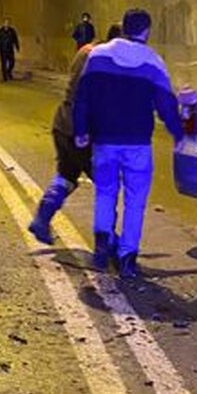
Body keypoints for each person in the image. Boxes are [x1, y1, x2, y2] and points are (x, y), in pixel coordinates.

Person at [73, 9, 183, 279]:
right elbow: (166, 105)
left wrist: (81, 129)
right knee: (135, 200)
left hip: (104, 140)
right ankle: (127, 257)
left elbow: (83, 95)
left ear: (123, 27)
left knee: (105, 192)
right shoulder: (153, 61)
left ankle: (102, 244)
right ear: (147, 30)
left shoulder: (98, 56)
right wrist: (178, 134)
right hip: (138, 144)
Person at [29, 23, 123, 245]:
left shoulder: (85, 51)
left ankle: (42, 218)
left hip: (63, 124)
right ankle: (107, 241)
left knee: (67, 175)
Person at [0, 18, 20, 82]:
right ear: (4, 23)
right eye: (6, 23)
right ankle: (4, 77)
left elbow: (15, 39)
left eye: (8, 23)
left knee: (12, 62)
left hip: (10, 49)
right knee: (3, 64)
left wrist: (17, 47)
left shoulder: (12, 31)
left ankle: (9, 71)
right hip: (3, 50)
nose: (7, 24)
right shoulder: (0, 31)